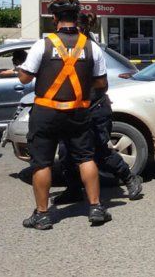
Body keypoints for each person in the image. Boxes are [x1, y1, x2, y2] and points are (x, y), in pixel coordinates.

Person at [17, 0, 111, 230]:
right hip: (78, 112)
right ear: (76, 18)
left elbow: (25, 77)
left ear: (55, 19)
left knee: (42, 163)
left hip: (46, 113)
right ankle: (96, 207)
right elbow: (102, 84)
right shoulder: (91, 47)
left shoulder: (43, 45)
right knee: (85, 158)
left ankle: (43, 214)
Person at [52, 12, 143, 205]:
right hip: (71, 109)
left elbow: (102, 85)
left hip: (94, 108)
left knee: (98, 151)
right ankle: (74, 189)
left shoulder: (90, 48)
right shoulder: (63, 48)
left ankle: (129, 178)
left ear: (79, 28)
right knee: (66, 152)